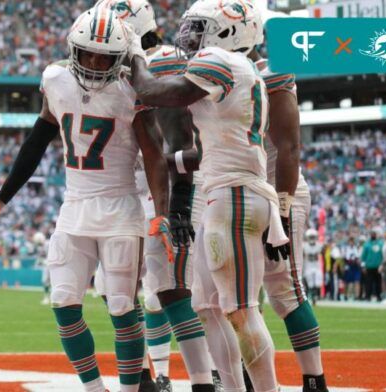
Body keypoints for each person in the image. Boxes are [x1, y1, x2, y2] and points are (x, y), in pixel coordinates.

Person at [0, 6, 171, 391]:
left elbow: (155, 154)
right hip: (75, 207)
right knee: (63, 301)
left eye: (103, 55)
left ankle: (130, 388)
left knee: (123, 307)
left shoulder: (132, 89)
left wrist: (162, 213)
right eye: (86, 51)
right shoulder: (56, 79)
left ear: (120, 56)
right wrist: (1, 197)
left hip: (121, 207)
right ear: (73, 47)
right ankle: (93, 388)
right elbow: (38, 138)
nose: (93, 60)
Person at [126, 1, 285, 390]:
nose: (189, 37)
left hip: (234, 195)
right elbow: (198, 148)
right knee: (208, 305)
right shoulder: (239, 70)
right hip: (228, 189)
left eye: (198, 28)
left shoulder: (221, 59)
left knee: (240, 310)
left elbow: (153, 89)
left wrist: (132, 56)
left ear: (229, 32)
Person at [93, 1, 217, 391]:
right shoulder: (124, 67)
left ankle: (204, 379)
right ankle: (146, 374)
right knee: (114, 286)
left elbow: (179, 135)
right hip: (139, 187)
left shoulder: (159, 60)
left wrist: (177, 206)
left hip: (173, 184)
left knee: (172, 287)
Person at [248, 9, 328, 387]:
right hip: (242, 193)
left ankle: (315, 381)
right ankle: (252, 380)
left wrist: (279, 209)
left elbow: (289, 147)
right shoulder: (212, 76)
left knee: (283, 287)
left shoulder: (270, 75)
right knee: (239, 294)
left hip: (279, 190)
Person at [361, 229, 384, 302]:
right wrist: (363, 266)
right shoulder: (366, 244)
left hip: (378, 266)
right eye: (372, 234)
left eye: (374, 234)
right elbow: (363, 256)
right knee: (368, 283)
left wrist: (382, 264)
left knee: (378, 282)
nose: (373, 235)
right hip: (369, 266)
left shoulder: (381, 244)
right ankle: (368, 296)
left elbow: (383, 255)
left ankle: (378, 296)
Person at [343, 237, 362, 301]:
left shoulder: (357, 248)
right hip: (348, 266)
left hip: (355, 267)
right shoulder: (346, 249)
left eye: (352, 241)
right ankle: (345, 295)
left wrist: (358, 262)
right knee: (346, 282)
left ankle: (357, 296)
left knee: (357, 281)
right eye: (350, 241)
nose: (351, 242)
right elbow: (344, 258)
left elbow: (359, 257)